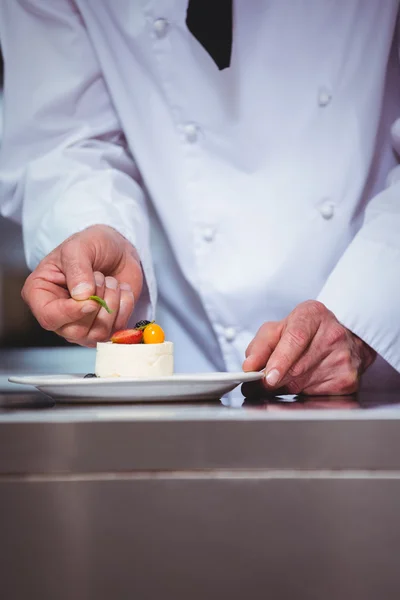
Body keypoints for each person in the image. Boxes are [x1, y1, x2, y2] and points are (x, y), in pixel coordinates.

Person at [0, 0, 399, 395]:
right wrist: (91, 223)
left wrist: (360, 314)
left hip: (381, 366)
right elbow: (64, 135)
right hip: (183, 374)